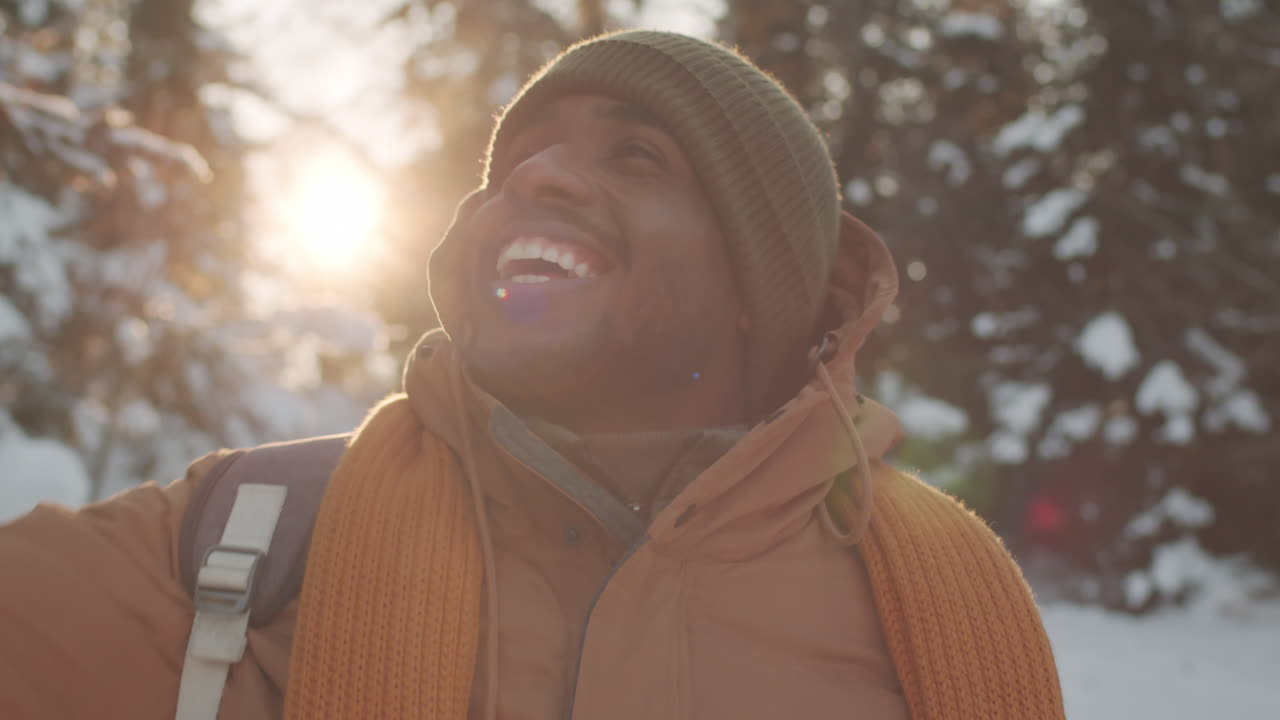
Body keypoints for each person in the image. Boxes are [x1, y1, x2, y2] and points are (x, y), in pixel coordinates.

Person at [0, 30, 1064, 720]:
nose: (534, 177)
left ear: (759, 281)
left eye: (636, 157)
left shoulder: (937, 605)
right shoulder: (247, 540)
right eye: (517, 164)